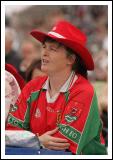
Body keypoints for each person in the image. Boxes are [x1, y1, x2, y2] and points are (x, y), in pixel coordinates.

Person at [6, 20, 107, 155]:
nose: (44, 53)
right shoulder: (32, 87)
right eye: (44, 47)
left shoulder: (83, 91)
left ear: (71, 59)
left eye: (52, 49)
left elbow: (61, 145)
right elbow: (10, 132)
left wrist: (29, 140)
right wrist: (37, 140)